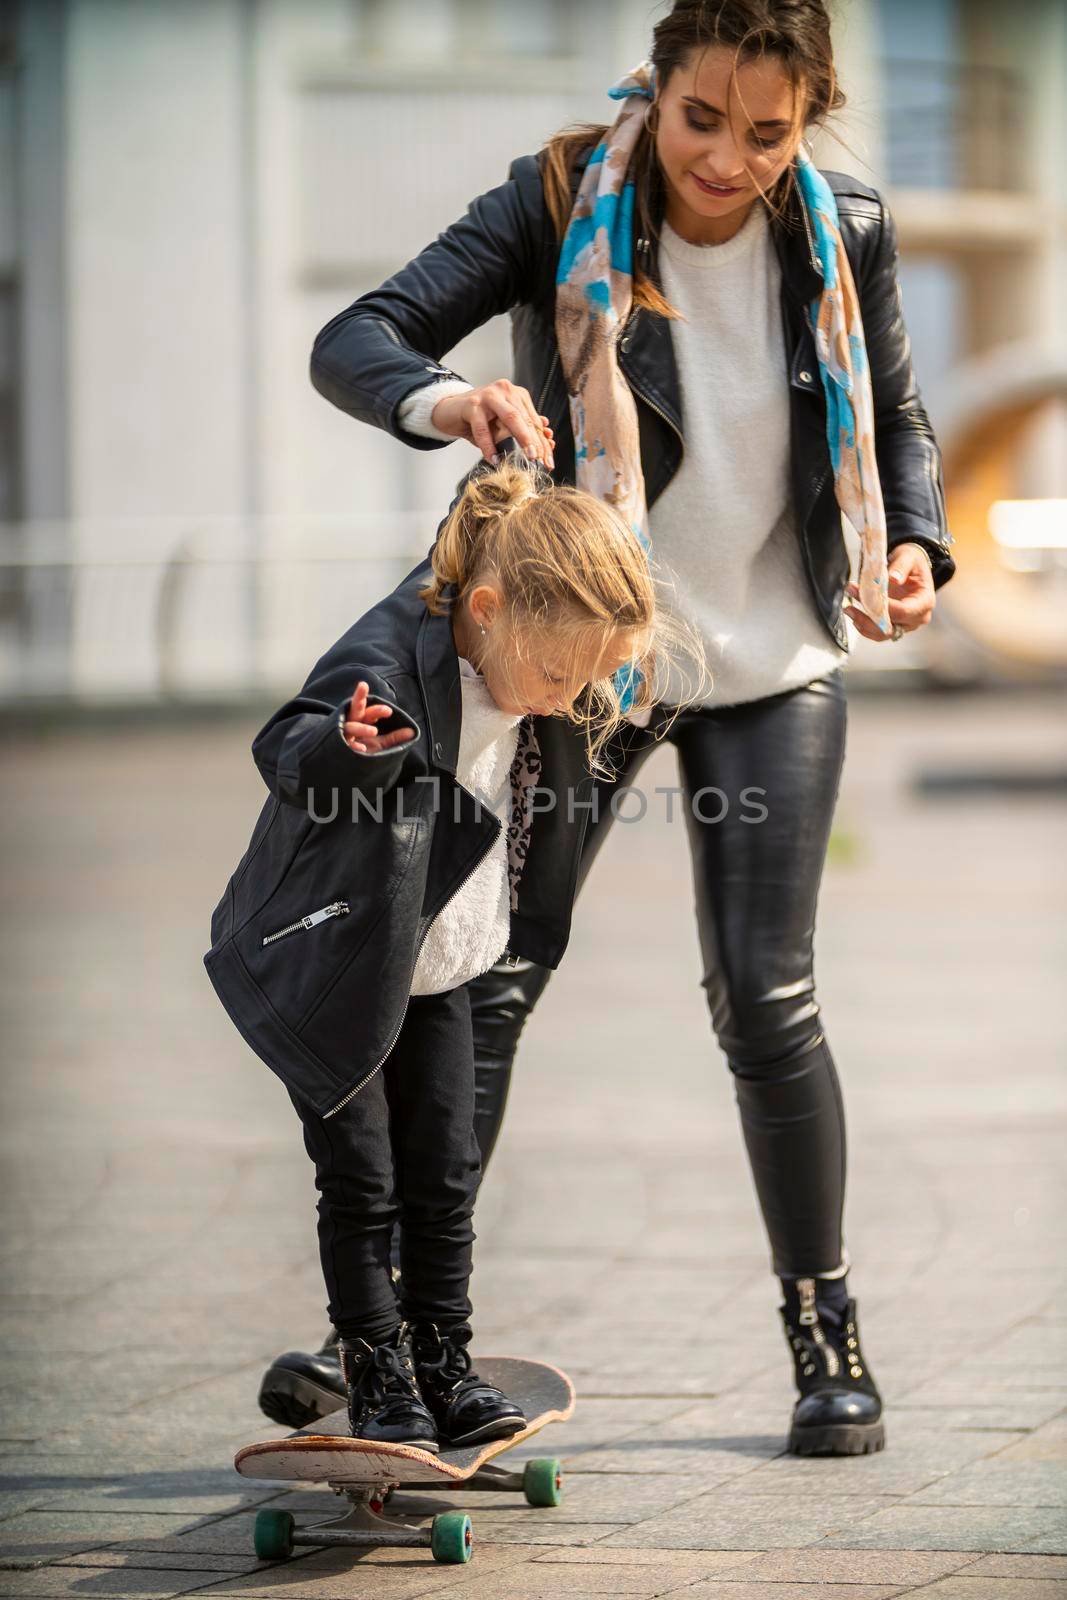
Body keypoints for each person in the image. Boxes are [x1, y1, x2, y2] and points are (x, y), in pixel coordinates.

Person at [260, 0, 956, 1457]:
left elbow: (893, 411)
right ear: (660, 84)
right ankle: (378, 1327)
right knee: (492, 975)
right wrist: (447, 400)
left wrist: (910, 545)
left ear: (807, 114)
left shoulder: (846, 232)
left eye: (767, 133)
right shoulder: (556, 198)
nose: (725, 156)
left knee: (765, 1001)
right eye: (701, 118)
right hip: (589, 656)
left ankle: (824, 1337)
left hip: (769, 658)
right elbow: (357, 335)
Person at [204, 456, 676, 1449]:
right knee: (364, 1176)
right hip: (340, 963)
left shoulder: (535, 626)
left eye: (585, 682)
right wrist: (347, 745)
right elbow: (283, 747)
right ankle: (375, 1371)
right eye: (556, 676)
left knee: (446, 1170)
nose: (560, 701)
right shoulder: (388, 650)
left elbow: (527, 559)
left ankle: (444, 1358)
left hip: (445, 958)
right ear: (490, 608)